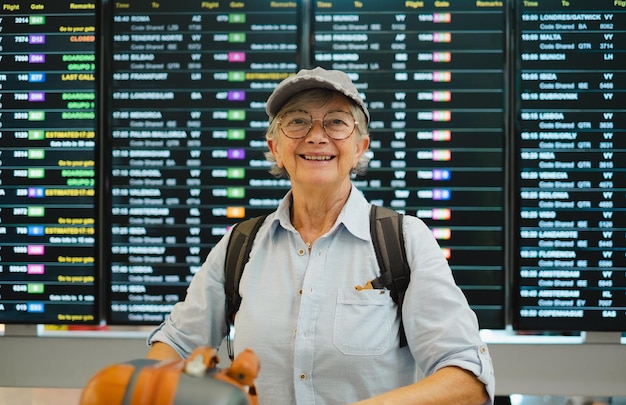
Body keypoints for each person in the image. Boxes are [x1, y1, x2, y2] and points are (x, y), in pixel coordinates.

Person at [147, 67, 495, 405]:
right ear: (275, 147)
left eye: (337, 122)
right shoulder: (240, 245)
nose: (316, 135)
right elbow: (176, 346)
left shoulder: (404, 241)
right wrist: (142, 387)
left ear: (360, 148)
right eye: (297, 121)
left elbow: (467, 377)